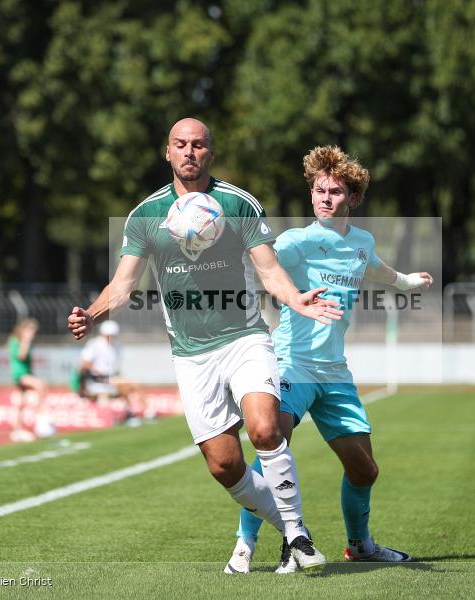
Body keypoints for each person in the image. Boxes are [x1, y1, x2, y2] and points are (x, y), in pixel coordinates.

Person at [67, 118, 343, 572]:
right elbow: (123, 285)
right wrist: (91, 314)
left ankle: (296, 532)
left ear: (210, 152)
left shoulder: (238, 203)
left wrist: (296, 298)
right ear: (168, 152)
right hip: (192, 355)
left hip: (244, 339)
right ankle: (290, 528)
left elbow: (269, 270)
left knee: (265, 428)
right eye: (181, 144)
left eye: (198, 145)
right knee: (224, 464)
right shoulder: (145, 217)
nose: (189, 152)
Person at [224, 146, 433, 574]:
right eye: (319, 190)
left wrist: (408, 282)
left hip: (335, 373)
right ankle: (245, 545)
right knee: (270, 445)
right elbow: (257, 261)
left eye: (335, 191)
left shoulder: (361, 242)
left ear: (352, 199)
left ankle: (360, 545)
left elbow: (374, 268)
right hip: (291, 364)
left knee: (364, 469)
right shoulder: (296, 241)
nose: (325, 198)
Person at [79, 319, 148, 426]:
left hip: (110, 378)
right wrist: (97, 370)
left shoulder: (117, 346)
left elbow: (115, 367)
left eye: (112, 335)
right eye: (108, 335)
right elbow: (84, 363)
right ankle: (134, 413)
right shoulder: (95, 344)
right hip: (98, 379)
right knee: (127, 384)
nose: (110, 337)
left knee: (132, 385)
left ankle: (141, 411)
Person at [8, 318, 47, 442]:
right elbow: (21, 356)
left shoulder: (24, 342)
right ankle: (40, 416)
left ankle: (17, 429)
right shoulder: (16, 341)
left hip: (26, 372)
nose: (33, 334)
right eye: (31, 331)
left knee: (21, 402)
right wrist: (25, 341)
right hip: (20, 374)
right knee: (40, 385)